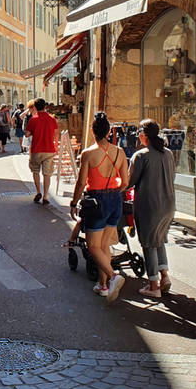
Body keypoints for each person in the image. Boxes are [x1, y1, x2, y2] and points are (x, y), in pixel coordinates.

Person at [69, 112, 130, 304]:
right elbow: (125, 182)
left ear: (93, 131)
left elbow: (80, 183)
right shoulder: (120, 152)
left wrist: (73, 202)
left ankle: (113, 277)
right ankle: (102, 286)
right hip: (115, 201)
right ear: (109, 131)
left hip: (96, 200)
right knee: (105, 245)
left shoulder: (88, 153)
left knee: (93, 246)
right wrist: (112, 191)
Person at [127, 119, 178, 297]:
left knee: (148, 242)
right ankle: (164, 276)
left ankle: (153, 285)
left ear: (143, 135)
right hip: (168, 204)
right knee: (159, 238)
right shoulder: (169, 153)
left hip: (149, 204)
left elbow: (129, 181)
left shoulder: (141, 156)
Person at [25, 98, 59, 205]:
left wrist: (32, 132)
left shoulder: (33, 120)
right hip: (49, 149)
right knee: (47, 174)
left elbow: (27, 134)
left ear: (35, 107)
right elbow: (56, 133)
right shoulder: (52, 119)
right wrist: (56, 145)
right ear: (45, 107)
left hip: (36, 149)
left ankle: (38, 192)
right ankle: (45, 196)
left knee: (35, 171)